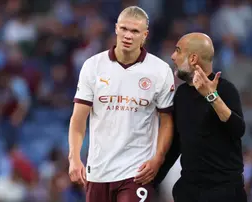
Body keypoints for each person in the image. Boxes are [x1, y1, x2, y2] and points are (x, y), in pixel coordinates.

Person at [68, 6, 175, 202]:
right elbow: (78, 119)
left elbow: (167, 121)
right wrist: (74, 157)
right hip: (99, 170)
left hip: (136, 172)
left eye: (135, 31)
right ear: (116, 28)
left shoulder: (160, 71)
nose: (128, 35)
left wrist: (158, 158)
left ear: (145, 35)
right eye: (124, 29)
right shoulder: (93, 66)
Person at [154, 33, 247, 202]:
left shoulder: (225, 89)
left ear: (193, 58)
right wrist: (151, 182)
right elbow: (176, 146)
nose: (173, 56)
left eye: (178, 51)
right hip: (189, 191)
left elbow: (238, 129)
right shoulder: (181, 95)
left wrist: (212, 97)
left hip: (224, 191)